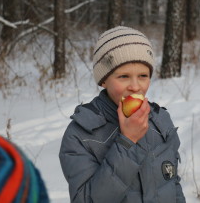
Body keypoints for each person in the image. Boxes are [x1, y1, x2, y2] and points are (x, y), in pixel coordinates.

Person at [59, 26, 186, 203]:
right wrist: (127, 142)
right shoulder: (82, 135)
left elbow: (172, 185)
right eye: (124, 76)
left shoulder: (160, 121)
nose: (135, 86)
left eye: (143, 75)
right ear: (104, 80)